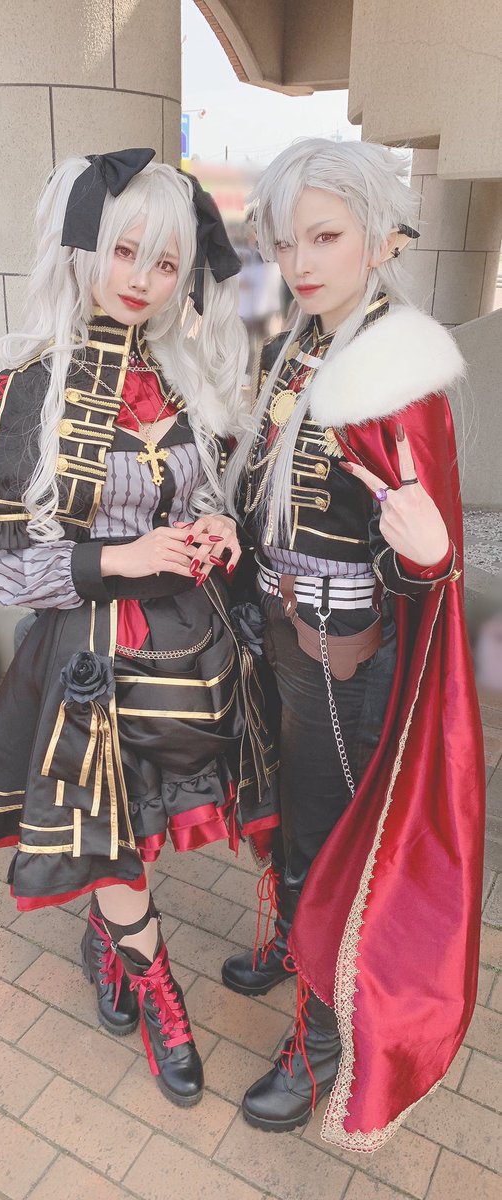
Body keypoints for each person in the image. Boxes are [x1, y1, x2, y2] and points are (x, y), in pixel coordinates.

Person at [0, 149, 279, 1108]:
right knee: (108, 826)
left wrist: (218, 526)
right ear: (83, 248)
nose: (142, 280)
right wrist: (116, 559)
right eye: (125, 252)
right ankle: (156, 986)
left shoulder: (182, 375)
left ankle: (111, 936)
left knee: (157, 813)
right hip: (89, 654)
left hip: (193, 644)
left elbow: (202, 490)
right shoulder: (33, 385)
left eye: (166, 263)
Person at [222, 138, 484, 1150]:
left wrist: (430, 559)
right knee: (287, 821)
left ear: (381, 240)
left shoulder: (394, 373)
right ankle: (293, 948)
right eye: (286, 241)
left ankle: (321, 1036)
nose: (299, 261)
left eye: (324, 237)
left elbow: (421, 561)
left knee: (330, 849)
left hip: (349, 667)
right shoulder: (301, 345)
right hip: (282, 639)